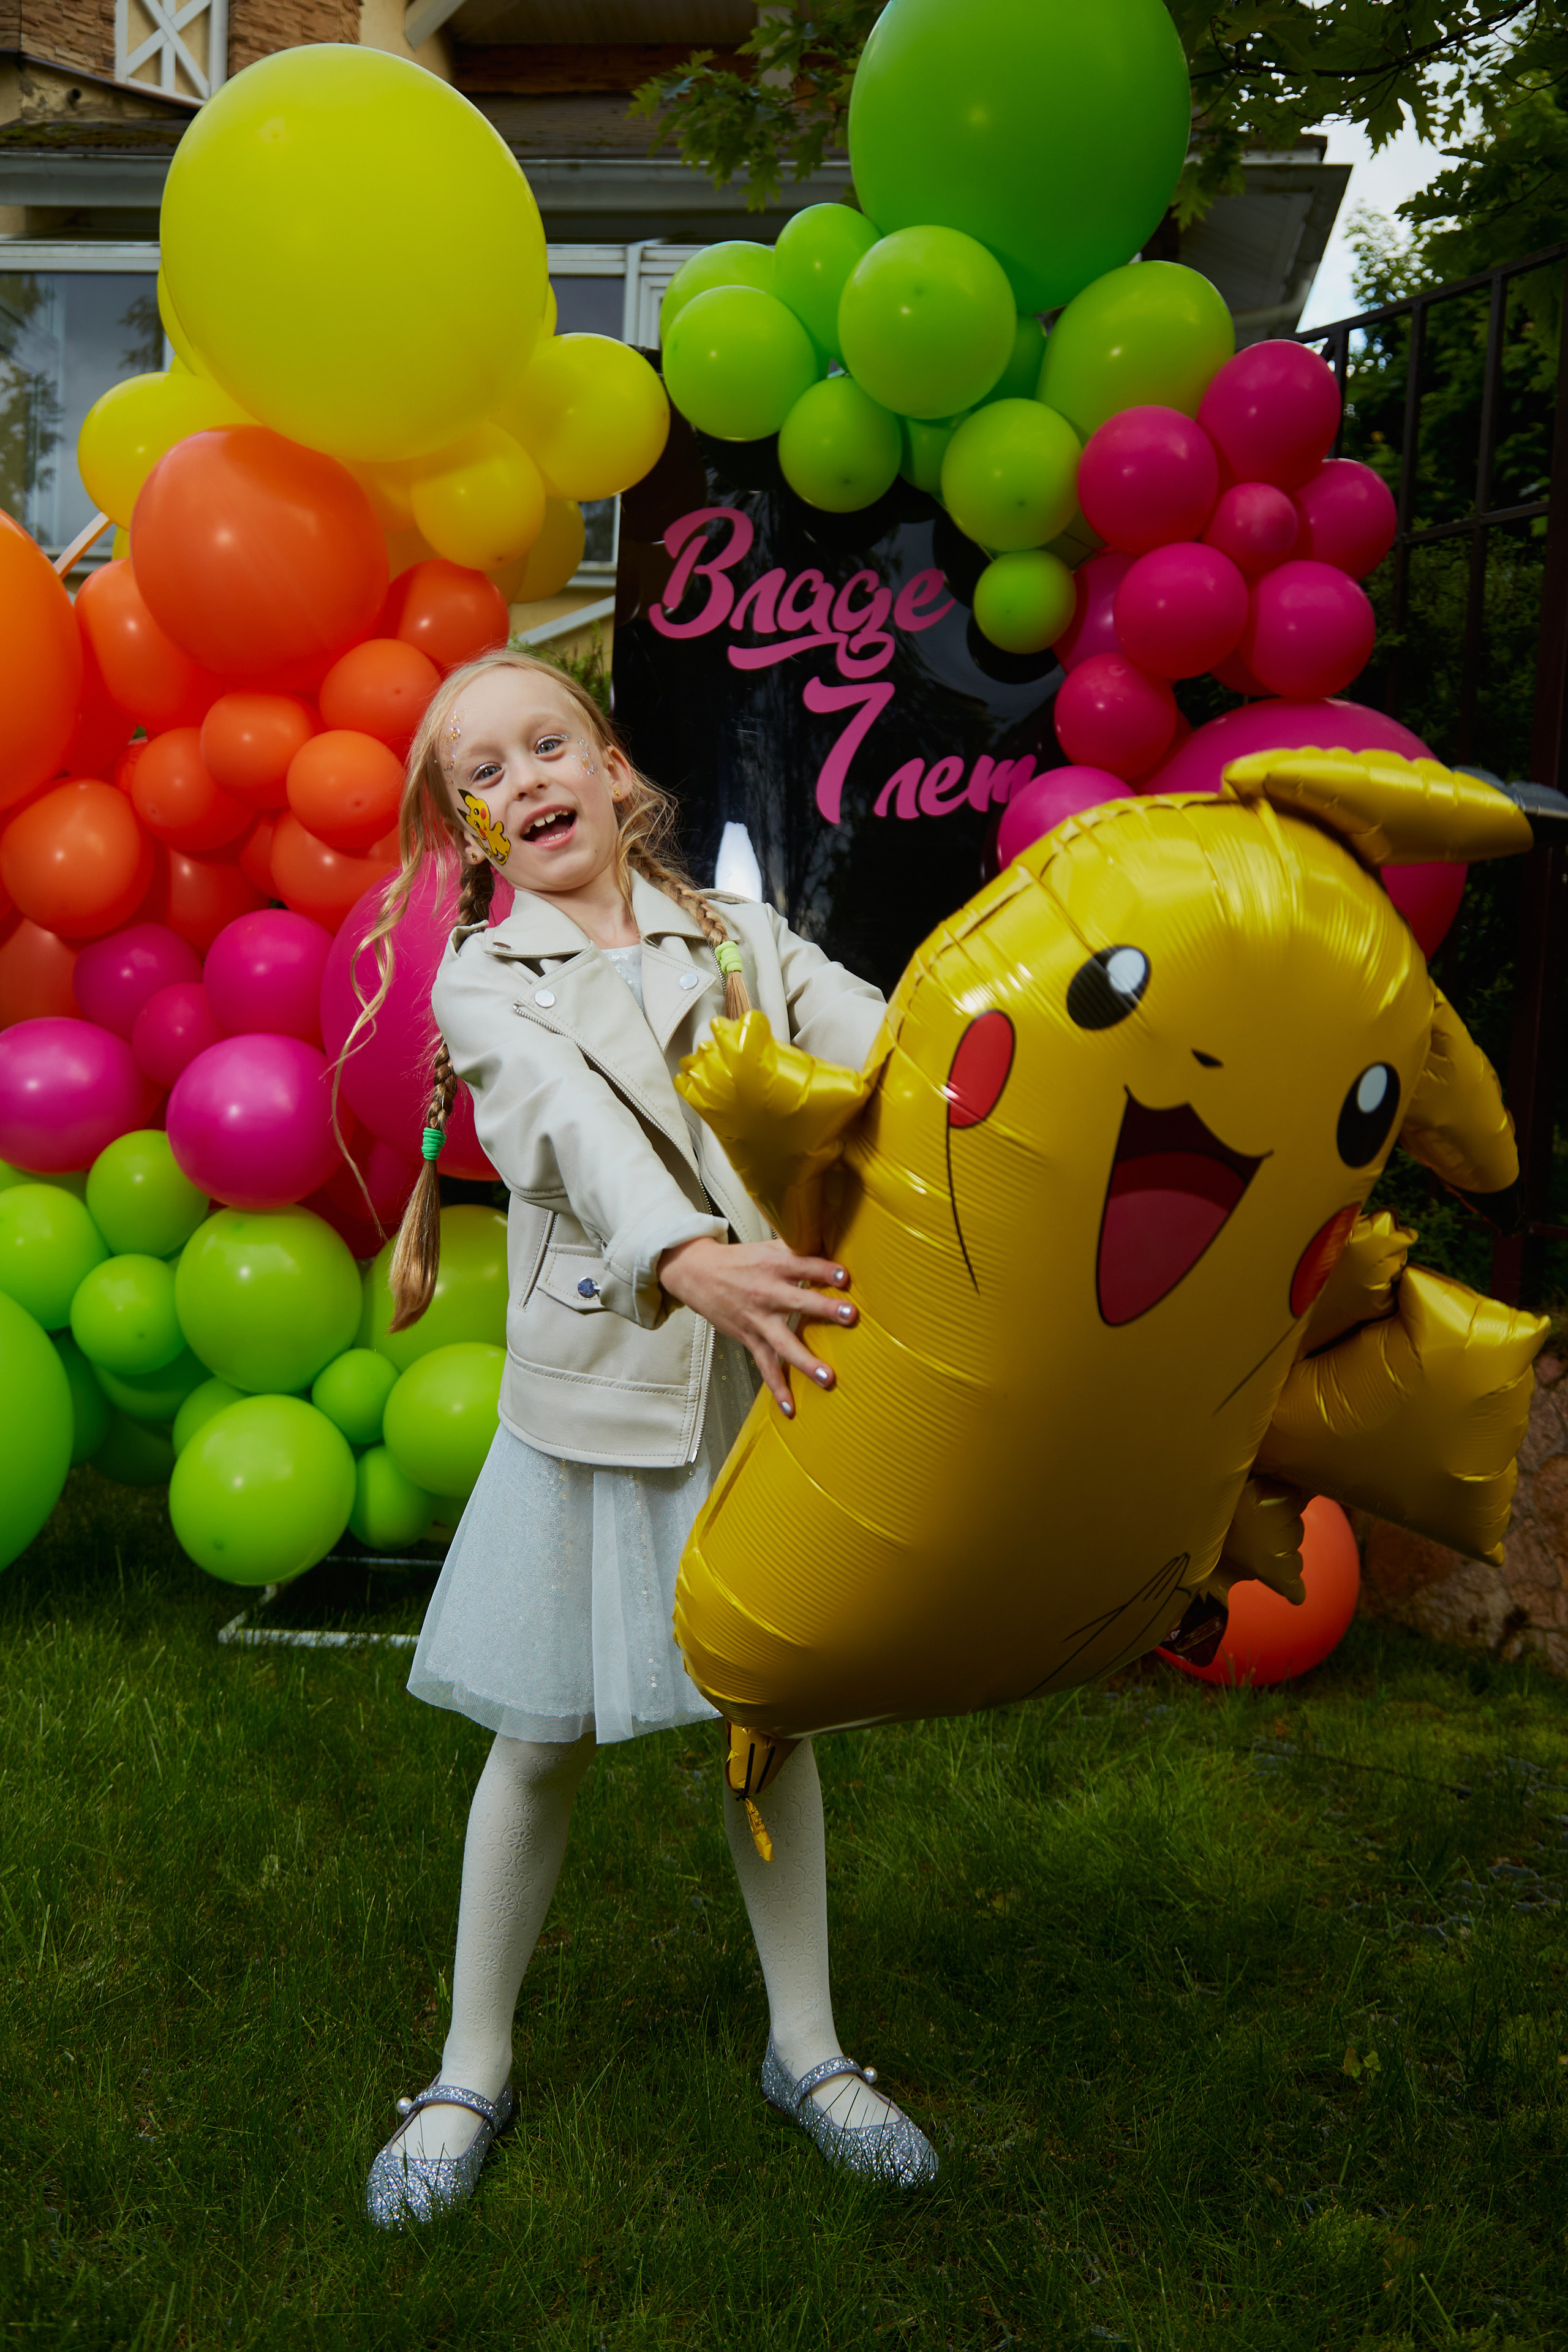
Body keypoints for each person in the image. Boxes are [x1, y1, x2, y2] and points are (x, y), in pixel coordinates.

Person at [351, 650, 937, 2226]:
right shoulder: (489, 982)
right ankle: (469, 2066)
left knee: (769, 1723)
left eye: (548, 745)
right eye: (482, 774)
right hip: (598, 1398)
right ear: (468, 830)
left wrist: (997, 1062)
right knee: (540, 1737)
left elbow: (890, 1043)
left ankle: (806, 2049)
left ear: (611, 770)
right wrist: (686, 1256)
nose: (524, 780)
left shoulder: (741, 935)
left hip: (763, 1386)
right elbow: (571, 1127)